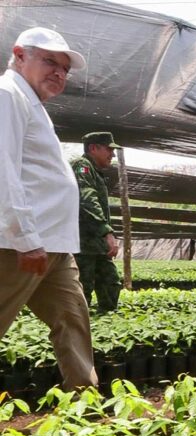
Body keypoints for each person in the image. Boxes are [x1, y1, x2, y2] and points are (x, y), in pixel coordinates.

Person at [0, 27, 97, 390]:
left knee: (72, 319)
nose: (59, 72)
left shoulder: (31, 103)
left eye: (65, 68)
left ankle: (86, 406)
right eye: (50, 61)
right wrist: (25, 238)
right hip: (18, 246)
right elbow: (3, 169)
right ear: (19, 55)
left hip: (54, 246)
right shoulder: (7, 95)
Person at [71, 131, 122, 312]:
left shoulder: (95, 171)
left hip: (97, 243)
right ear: (93, 148)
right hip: (83, 243)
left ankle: (107, 324)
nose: (113, 154)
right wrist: (106, 231)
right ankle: (79, 329)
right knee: (82, 289)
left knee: (111, 283)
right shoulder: (82, 166)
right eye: (109, 149)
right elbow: (86, 198)